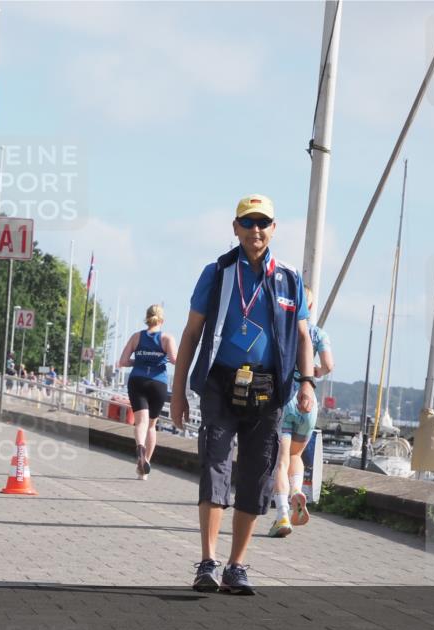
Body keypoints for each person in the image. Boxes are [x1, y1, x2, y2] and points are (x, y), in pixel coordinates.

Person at [169, 194, 314, 595]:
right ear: (235, 228)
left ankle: (237, 565)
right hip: (220, 383)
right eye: (247, 223)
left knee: (257, 474)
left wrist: (306, 382)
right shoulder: (217, 272)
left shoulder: (288, 278)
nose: (255, 230)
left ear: (273, 227)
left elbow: (302, 335)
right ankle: (208, 562)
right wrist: (177, 392)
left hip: (269, 389)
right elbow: (191, 332)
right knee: (215, 465)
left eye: (262, 222)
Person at [268, 287, 333, 537]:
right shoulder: (318, 334)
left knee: (281, 461)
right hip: (309, 403)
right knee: (296, 455)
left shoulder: (281, 329)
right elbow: (328, 364)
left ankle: (282, 514)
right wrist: (315, 372)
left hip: (286, 399)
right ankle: (297, 491)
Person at [116, 304, 178, 479]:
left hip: (137, 381)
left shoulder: (136, 337)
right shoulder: (167, 338)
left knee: (140, 423)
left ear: (147, 318)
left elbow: (122, 361)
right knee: (151, 425)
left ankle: (140, 450)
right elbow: (174, 360)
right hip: (158, 383)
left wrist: (140, 361)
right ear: (162, 320)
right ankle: (145, 467)